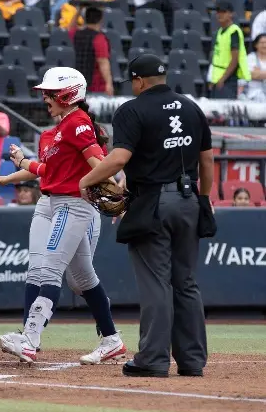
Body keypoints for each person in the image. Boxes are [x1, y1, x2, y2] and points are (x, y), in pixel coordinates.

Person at [79, 54, 213, 378]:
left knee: (157, 284)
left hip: (153, 203)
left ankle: (152, 359)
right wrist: (204, 199)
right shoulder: (192, 107)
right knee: (186, 283)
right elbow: (207, 161)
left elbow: (120, 157)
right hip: (188, 200)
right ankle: (192, 361)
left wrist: (87, 180)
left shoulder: (132, 109)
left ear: (138, 81)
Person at [0, 67, 125, 365]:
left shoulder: (77, 121)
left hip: (71, 204)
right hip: (59, 202)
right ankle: (111, 339)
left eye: (51, 93)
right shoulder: (65, 125)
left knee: (50, 269)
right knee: (83, 277)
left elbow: (98, 161)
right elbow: (55, 169)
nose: (45, 98)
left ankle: (29, 340)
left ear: (68, 94)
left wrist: (114, 187)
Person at [208, 0, 250, 100]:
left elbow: (234, 59)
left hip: (228, 79)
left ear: (231, 14)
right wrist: (212, 79)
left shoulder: (234, 31)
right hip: (217, 77)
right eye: (218, 12)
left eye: (224, 12)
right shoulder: (219, 32)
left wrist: (222, 79)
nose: (220, 14)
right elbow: (217, 57)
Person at [70, 7, 113, 97]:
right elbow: (103, 62)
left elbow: (71, 27)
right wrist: (109, 83)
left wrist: (78, 10)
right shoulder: (99, 38)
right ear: (101, 19)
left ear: (85, 19)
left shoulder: (77, 34)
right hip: (96, 86)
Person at [242, 34, 266, 102]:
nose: (264, 45)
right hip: (254, 95)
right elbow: (252, 75)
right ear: (256, 45)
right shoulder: (251, 58)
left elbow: (257, 75)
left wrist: (260, 72)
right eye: (262, 43)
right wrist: (257, 74)